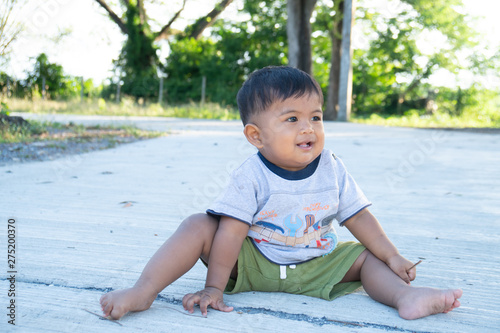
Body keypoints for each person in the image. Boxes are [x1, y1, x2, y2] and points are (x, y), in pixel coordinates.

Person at [100, 66, 462, 321]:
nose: (308, 128)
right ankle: (143, 291)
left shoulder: (331, 167)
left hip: (319, 264)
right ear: (256, 136)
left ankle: (407, 297)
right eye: (292, 119)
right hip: (253, 264)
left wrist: (393, 256)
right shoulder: (250, 175)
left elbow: (357, 215)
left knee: (369, 257)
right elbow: (231, 230)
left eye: (316, 117)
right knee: (198, 225)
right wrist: (213, 287)